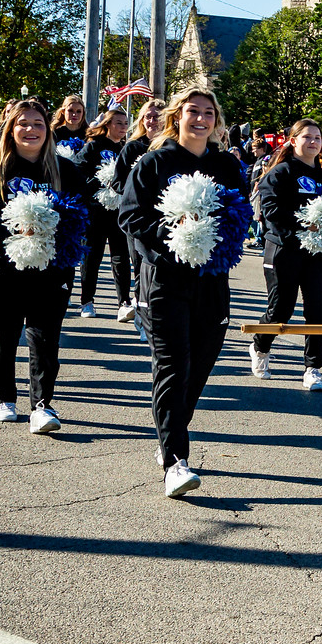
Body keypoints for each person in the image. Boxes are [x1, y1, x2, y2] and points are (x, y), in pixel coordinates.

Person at [119, 88, 252, 497]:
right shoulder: (155, 162)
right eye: (193, 111)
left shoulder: (227, 165)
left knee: (201, 364)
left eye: (208, 113)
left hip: (212, 280)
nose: (200, 119)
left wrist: (219, 235)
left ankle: (168, 432)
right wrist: (172, 234)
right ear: (177, 116)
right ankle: (176, 460)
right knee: (174, 364)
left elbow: (241, 213)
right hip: (165, 278)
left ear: (216, 121)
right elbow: (130, 215)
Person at [0, 98, 86, 434]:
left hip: (51, 269)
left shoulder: (65, 170)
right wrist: (17, 228)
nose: (30, 130)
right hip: (3, 264)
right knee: (2, 332)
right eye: (23, 123)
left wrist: (52, 230)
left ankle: (42, 405)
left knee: (45, 337)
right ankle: (4, 396)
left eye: (37, 123)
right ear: (10, 128)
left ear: (48, 129)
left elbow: (80, 215)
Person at [250, 118, 322, 390]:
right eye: (307, 137)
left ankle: (313, 368)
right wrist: (304, 226)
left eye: (317, 137)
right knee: (281, 308)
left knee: (318, 310)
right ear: (293, 141)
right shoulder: (280, 172)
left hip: (318, 252)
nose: (313, 142)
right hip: (284, 249)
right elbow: (270, 212)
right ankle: (260, 348)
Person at [115, 98, 166, 327]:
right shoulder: (133, 147)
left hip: (166, 218)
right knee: (140, 264)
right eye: (148, 116)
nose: (152, 121)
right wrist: (138, 192)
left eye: (157, 116)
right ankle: (141, 311)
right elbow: (118, 182)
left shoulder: (171, 148)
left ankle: (155, 311)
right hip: (138, 217)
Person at [77, 109, 132, 318]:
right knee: (92, 257)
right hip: (96, 210)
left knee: (121, 256)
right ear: (107, 124)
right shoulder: (93, 147)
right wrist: (99, 185)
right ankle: (87, 301)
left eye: (126, 123)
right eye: (118, 122)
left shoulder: (126, 149)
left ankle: (124, 303)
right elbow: (78, 173)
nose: (123, 126)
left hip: (119, 211)